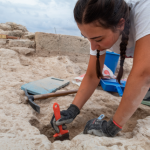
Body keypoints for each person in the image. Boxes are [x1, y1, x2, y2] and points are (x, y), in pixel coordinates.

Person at [51, 0, 150, 137]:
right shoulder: (99, 30)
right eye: (87, 38)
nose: (92, 46)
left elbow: (143, 73)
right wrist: (72, 110)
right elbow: (93, 75)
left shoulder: (144, 9)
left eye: (97, 39)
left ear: (121, 24)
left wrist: (112, 127)